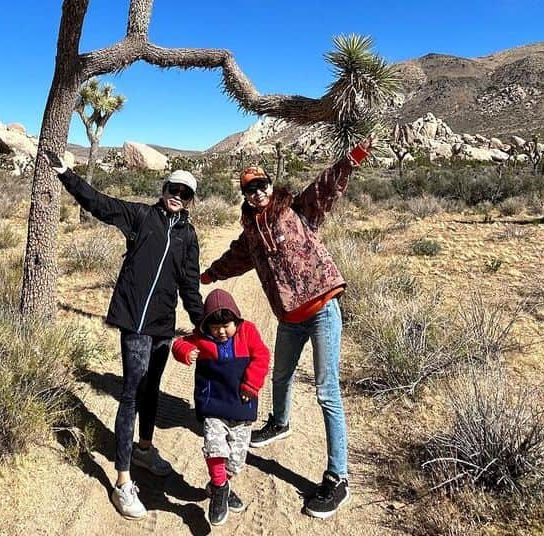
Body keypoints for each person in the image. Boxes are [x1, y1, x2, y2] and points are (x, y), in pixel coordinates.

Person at [199, 140, 372, 519]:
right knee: (280, 374)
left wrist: (352, 159)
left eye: (261, 184)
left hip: (322, 307)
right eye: (249, 188)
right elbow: (236, 258)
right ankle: (279, 422)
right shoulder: (250, 229)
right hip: (289, 318)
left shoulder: (296, 209)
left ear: (269, 183)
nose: (257, 191)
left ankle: (338, 477)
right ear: (243, 194)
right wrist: (210, 274)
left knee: (327, 392)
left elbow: (327, 186)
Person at [45, 149, 204, 521]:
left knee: (152, 391)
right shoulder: (141, 215)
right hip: (134, 322)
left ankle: (144, 449)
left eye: (185, 192)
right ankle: (121, 480)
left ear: (191, 200)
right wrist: (67, 174)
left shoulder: (188, 235)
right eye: (173, 187)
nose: (177, 194)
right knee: (131, 393)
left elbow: (190, 284)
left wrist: (203, 325)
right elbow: (99, 204)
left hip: (163, 326)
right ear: (163, 188)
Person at [171, 288, 271, 526]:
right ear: (207, 325)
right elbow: (179, 344)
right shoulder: (202, 337)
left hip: (241, 405)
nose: (221, 331)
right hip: (213, 404)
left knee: (235, 460)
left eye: (226, 325)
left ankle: (221, 485)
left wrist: (251, 383)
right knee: (215, 448)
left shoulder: (248, 332)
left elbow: (263, 356)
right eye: (215, 327)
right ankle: (218, 487)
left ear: (236, 320)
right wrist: (185, 351)